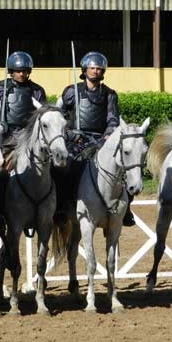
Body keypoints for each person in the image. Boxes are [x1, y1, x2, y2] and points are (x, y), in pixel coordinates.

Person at [56, 51, 136, 227]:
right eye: (92, 68)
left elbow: (113, 118)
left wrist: (108, 135)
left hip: (100, 140)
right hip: (76, 140)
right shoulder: (71, 91)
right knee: (63, 168)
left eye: (99, 69)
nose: (96, 71)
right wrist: (68, 133)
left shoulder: (109, 94)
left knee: (123, 170)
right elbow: (58, 114)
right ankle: (61, 207)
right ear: (85, 69)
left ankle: (126, 210)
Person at [0, 51, 46, 154]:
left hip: (29, 136)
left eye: (24, 71)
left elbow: (45, 115)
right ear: (11, 71)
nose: (21, 74)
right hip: (6, 136)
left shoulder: (36, 90)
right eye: (18, 71)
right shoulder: (0, 87)